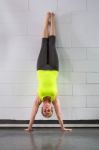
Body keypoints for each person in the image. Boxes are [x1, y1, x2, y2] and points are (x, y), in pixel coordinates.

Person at [25, 12, 72, 132]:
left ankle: (46, 19)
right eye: (49, 110)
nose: (47, 109)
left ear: (43, 108)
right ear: (51, 108)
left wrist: (29, 127)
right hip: (54, 68)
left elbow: (33, 114)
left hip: (41, 68)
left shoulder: (38, 99)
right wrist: (63, 127)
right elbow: (59, 113)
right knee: (52, 43)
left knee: (44, 44)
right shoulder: (55, 99)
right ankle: (52, 18)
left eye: (45, 111)